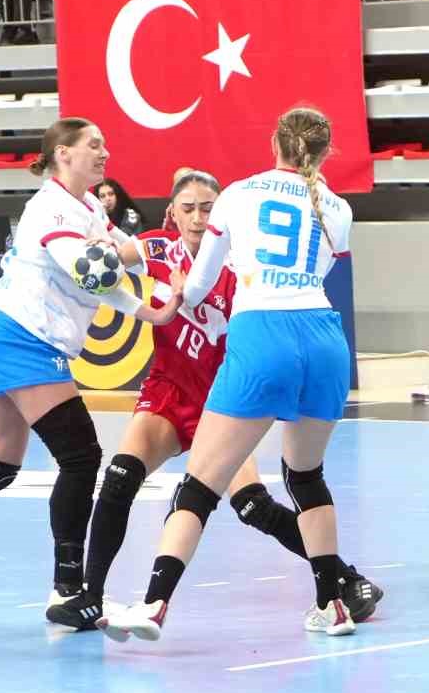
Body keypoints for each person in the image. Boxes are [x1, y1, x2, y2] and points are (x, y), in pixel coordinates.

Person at [0, 118, 182, 620]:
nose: (105, 152)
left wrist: (164, 250)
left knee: (0, 465)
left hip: (0, 330)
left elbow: (119, 256)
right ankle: (67, 589)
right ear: (63, 153)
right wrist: (147, 308)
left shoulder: (87, 206)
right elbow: (90, 270)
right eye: (94, 144)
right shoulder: (51, 207)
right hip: (22, 336)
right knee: (82, 457)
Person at [100, 108, 371, 641]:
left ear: (275, 142)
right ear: (323, 152)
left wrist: (177, 287)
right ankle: (330, 604)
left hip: (262, 333)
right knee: (305, 476)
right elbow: (317, 269)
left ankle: (154, 604)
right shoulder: (338, 208)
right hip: (324, 338)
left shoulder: (239, 194)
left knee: (199, 484)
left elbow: (199, 289)